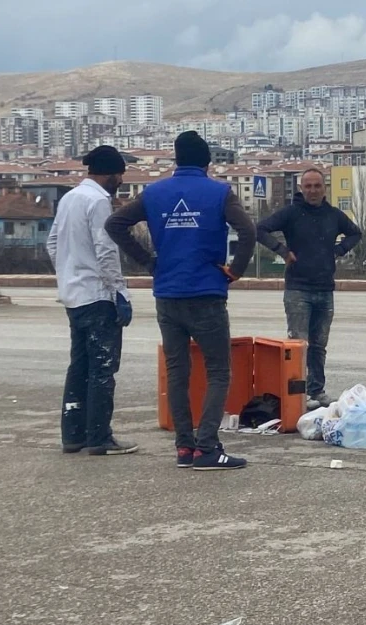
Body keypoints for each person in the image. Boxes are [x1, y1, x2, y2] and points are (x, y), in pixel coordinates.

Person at [106, 131, 257, 471]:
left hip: (168, 293)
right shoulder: (219, 193)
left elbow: (115, 223)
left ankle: (184, 448)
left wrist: (148, 261)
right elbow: (248, 231)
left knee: (177, 372)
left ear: (176, 160)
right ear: (207, 162)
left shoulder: (155, 193)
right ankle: (207, 447)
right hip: (206, 292)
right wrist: (234, 271)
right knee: (218, 371)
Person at [45, 145, 137, 456]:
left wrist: (67, 273)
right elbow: (106, 249)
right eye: (120, 174)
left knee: (79, 365)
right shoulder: (98, 201)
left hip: (73, 296)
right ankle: (99, 437)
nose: (121, 180)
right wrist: (118, 291)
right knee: (103, 367)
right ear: (109, 174)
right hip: (98, 296)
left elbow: (52, 242)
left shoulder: (70, 198)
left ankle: (73, 435)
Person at [255, 168, 363, 409]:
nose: (313, 191)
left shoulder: (333, 215)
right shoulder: (291, 213)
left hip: (325, 290)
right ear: (301, 189)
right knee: (298, 346)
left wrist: (338, 250)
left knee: (319, 346)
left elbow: (356, 233)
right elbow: (259, 230)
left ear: (324, 188)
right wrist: (282, 251)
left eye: (317, 186)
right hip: (298, 290)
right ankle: (296, 394)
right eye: (308, 186)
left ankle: (317, 391)